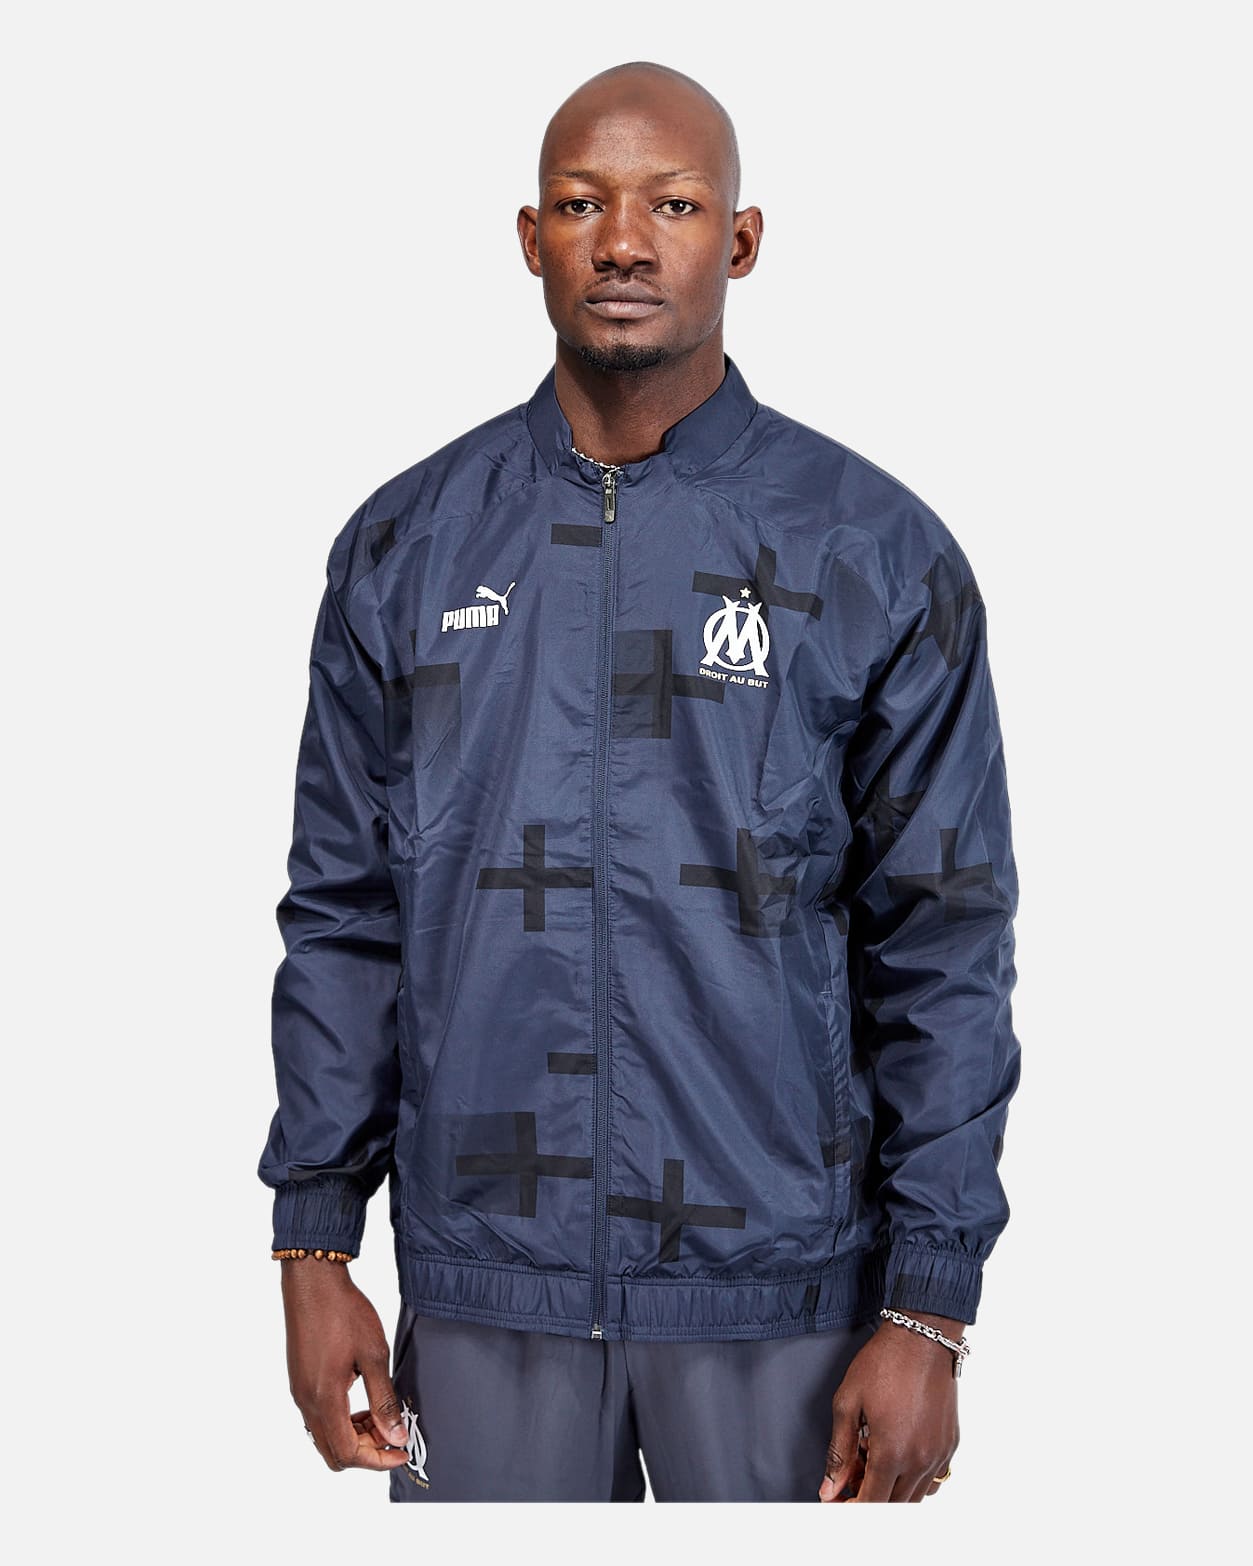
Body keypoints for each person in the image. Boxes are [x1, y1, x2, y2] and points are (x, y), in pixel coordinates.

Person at [258, 59, 1022, 1504]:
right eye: (580, 204)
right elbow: (345, 913)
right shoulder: (408, 546)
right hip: (485, 1287)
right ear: (529, 236)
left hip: (780, 1290)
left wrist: (930, 1305)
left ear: (740, 240)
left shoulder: (868, 552)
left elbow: (944, 943)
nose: (621, 241)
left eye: (671, 204)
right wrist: (313, 1241)